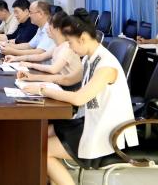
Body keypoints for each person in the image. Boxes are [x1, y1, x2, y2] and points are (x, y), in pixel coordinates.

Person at [23, 16, 138, 185]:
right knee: (39, 135)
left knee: (42, 150)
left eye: (70, 43)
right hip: (89, 121)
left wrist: (42, 90)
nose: (70, 47)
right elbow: (67, 79)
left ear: (82, 38)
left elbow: (78, 98)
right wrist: (33, 78)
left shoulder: (106, 66)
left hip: (105, 131)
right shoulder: (91, 58)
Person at [16, 11, 82, 89]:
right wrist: (16, 58)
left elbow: (53, 69)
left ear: (57, 29)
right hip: (59, 83)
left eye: (49, 25)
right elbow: (40, 57)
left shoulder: (67, 47)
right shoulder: (58, 45)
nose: (47, 28)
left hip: (69, 88)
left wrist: (31, 65)